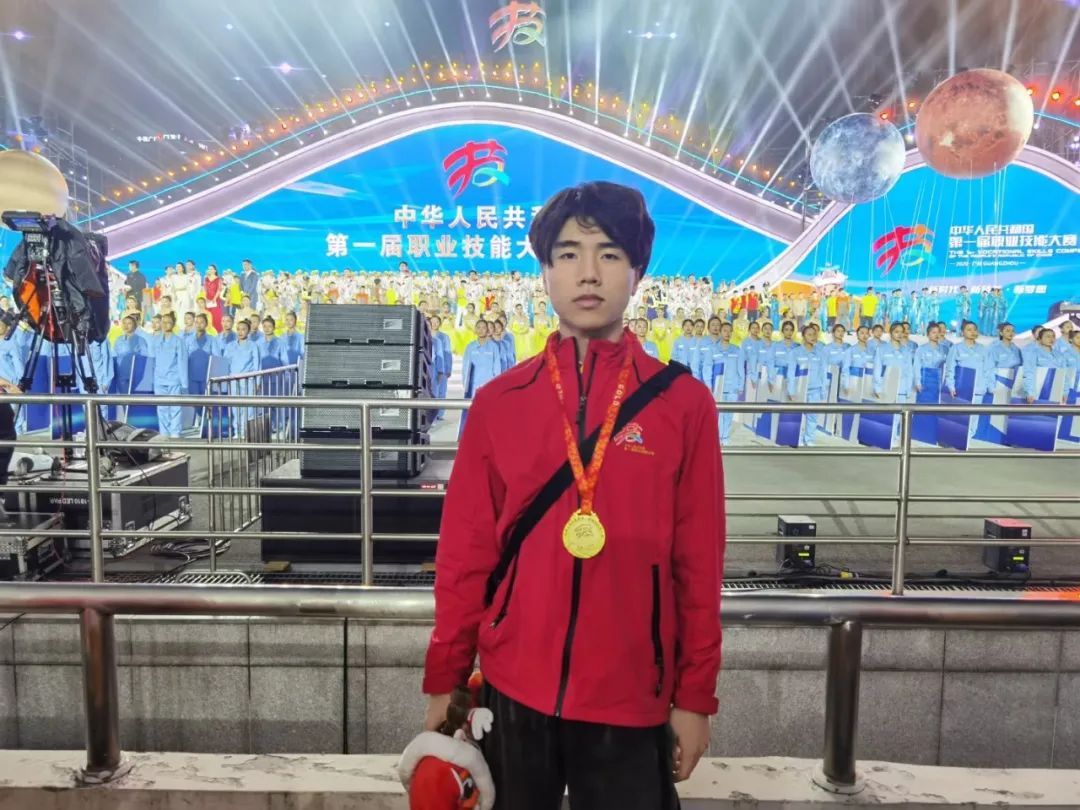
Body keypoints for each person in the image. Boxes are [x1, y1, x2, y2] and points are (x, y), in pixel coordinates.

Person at [423, 181, 723, 810]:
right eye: (568, 254)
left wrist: (695, 697)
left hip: (630, 693)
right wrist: (445, 677)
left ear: (637, 272)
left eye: (609, 254)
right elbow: (465, 556)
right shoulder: (500, 403)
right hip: (513, 689)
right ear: (545, 271)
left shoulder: (683, 406)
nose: (589, 273)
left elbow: (698, 565)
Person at [149, 312, 189, 438]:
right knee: (162, 407)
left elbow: (182, 362)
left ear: (173, 324)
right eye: (164, 322)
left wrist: (184, 384)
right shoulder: (155, 340)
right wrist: (150, 380)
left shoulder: (179, 341)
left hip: (174, 379)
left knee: (175, 407)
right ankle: (164, 432)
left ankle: (175, 432)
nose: (166, 324)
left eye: (169, 322)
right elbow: (152, 361)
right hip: (159, 379)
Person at [788, 324, 828, 446]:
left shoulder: (820, 353)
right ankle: (798, 438)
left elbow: (823, 372)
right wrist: (791, 390)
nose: (812, 337)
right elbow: (791, 373)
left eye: (814, 334)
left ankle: (809, 439)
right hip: (800, 389)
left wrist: (823, 389)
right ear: (803, 336)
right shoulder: (795, 353)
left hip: (815, 389)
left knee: (813, 416)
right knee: (799, 415)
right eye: (809, 334)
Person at [706, 320, 744, 443]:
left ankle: (725, 437)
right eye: (725, 331)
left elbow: (741, 369)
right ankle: (717, 438)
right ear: (720, 332)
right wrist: (709, 385)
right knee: (717, 413)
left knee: (729, 413)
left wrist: (741, 385)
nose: (727, 333)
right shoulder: (712, 349)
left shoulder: (737, 350)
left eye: (729, 331)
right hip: (718, 387)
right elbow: (707, 368)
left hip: (732, 387)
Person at [1022, 325, 1064, 403]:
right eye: (1048, 336)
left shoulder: (1059, 355)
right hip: (1039, 390)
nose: (1051, 339)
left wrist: (1065, 391)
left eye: (1053, 336)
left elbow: (1064, 374)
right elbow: (1029, 373)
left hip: (1056, 390)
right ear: (1040, 339)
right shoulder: (1033, 353)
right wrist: (1030, 392)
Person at [428, 315, 453, 420]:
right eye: (432, 322)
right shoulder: (425, 335)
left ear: (440, 323)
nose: (434, 324)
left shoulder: (444, 337)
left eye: (436, 322)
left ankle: (440, 413)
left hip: (441, 366)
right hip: (431, 366)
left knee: (441, 391)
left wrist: (448, 368)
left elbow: (447, 353)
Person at [913, 323, 948, 397]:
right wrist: (917, 382)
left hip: (939, 381)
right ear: (928, 334)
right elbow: (916, 367)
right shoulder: (921, 349)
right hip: (925, 381)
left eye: (938, 332)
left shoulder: (945, 349)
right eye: (934, 332)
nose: (936, 335)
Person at [203, 265, 224, 331]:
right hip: (207, 299)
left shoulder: (218, 279)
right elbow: (205, 289)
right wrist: (205, 297)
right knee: (207, 315)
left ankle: (217, 331)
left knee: (215, 315)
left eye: (212, 269)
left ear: (215, 270)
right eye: (209, 269)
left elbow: (219, 289)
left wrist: (214, 298)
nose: (210, 270)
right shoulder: (206, 279)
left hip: (215, 300)